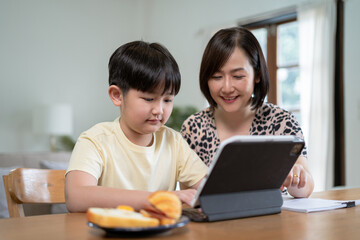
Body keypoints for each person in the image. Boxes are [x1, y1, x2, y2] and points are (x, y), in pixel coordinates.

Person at [65, 41, 208, 213]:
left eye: (168, 100)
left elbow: (210, 189)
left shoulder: (173, 141)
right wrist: (158, 199)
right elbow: (76, 197)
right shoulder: (96, 140)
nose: (159, 110)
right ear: (117, 95)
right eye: (149, 99)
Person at [181, 27, 314, 198]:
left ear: (257, 75)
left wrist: (296, 179)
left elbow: (305, 187)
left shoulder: (281, 121)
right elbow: (188, 196)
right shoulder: (194, 128)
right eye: (216, 77)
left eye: (237, 76)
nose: (227, 88)